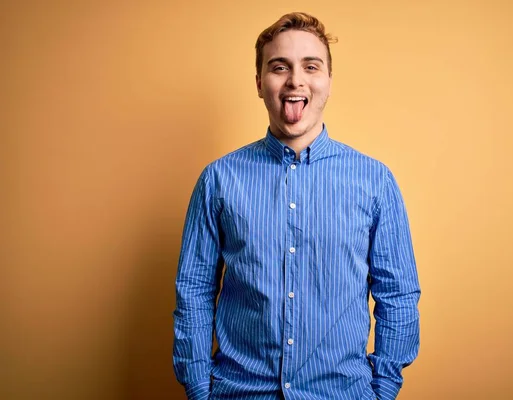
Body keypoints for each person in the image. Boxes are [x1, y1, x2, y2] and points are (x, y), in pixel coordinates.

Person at [173, 12, 420, 400]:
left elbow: (398, 294)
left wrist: (383, 389)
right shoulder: (218, 180)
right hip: (239, 393)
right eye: (279, 67)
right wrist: (199, 389)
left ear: (328, 82)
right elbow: (194, 290)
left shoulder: (375, 181)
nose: (295, 80)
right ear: (259, 83)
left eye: (311, 66)